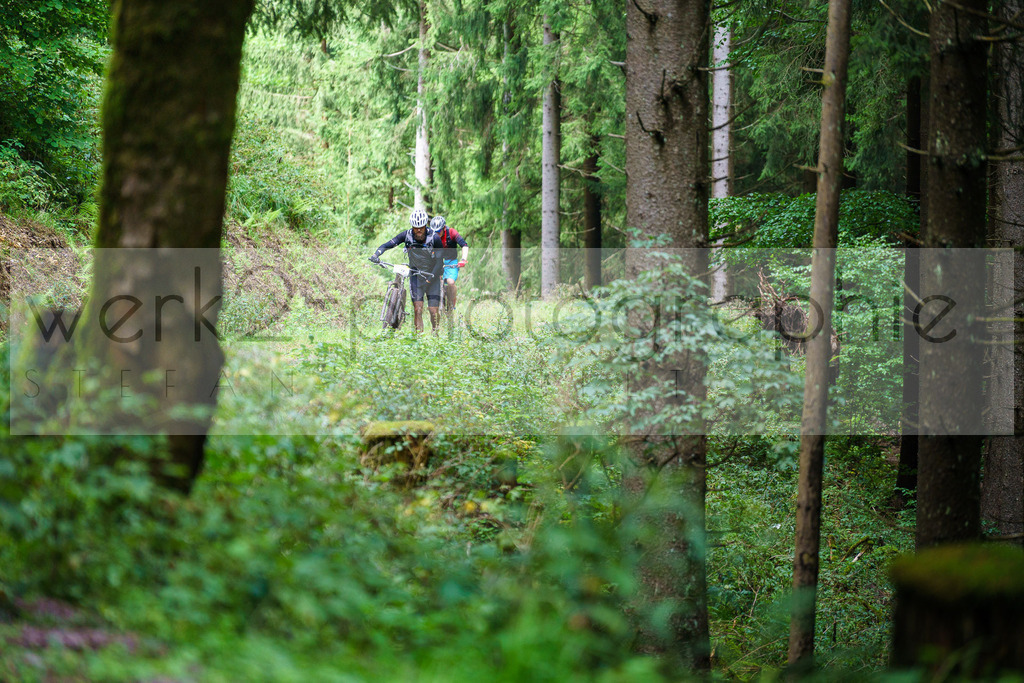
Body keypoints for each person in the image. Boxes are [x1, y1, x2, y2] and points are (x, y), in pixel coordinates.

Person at [370, 208, 445, 332]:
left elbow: (439, 262)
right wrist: (376, 254)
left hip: (432, 276)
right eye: (416, 227)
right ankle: (418, 340)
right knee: (417, 309)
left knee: (433, 311)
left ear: (425, 225)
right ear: (412, 226)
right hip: (416, 275)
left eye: (421, 226)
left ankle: (435, 332)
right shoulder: (407, 235)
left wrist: (431, 278)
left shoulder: (434, 238)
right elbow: (388, 244)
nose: (419, 230)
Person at [429, 214, 468, 315]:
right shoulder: (430, 236)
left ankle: (452, 306)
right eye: (434, 232)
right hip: (437, 262)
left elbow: (464, 245)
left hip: (451, 262)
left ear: (444, 228)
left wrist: (463, 259)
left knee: (450, 282)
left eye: (438, 231)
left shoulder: (451, 232)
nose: (436, 234)